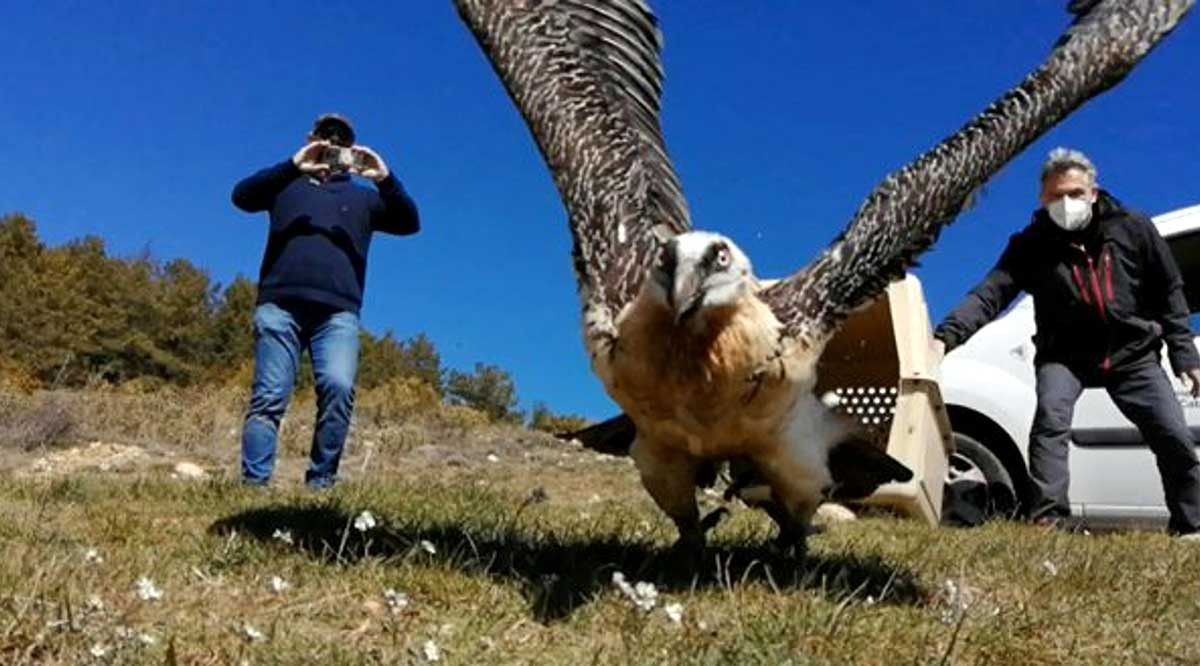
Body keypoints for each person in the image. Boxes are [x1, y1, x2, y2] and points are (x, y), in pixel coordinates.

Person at [932, 147, 1200, 537]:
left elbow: (1169, 291)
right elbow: (989, 294)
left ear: (1093, 193)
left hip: (1132, 352)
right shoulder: (1031, 245)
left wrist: (1184, 354)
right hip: (1065, 354)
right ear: (1043, 199)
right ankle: (1049, 521)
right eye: (1056, 196)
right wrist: (945, 337)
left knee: (1171, 433)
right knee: (1049, 425)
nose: (1066, 203)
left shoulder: (1133, 228)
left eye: (1074, 193)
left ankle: (1191, 525)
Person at [232, 113, 419, 488]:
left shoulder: (365, 200)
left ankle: (321, 483)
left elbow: (408, 222)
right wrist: (292, 165)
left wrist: (384, 178)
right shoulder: (285, 186)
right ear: (311, 137)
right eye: (325, 135)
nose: (333, 143)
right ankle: (254, 486)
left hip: (338, 313)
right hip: (280, 306)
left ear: (352, 148)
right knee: (269, 397)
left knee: (338, 389)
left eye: (342, 139)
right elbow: (242, 196)